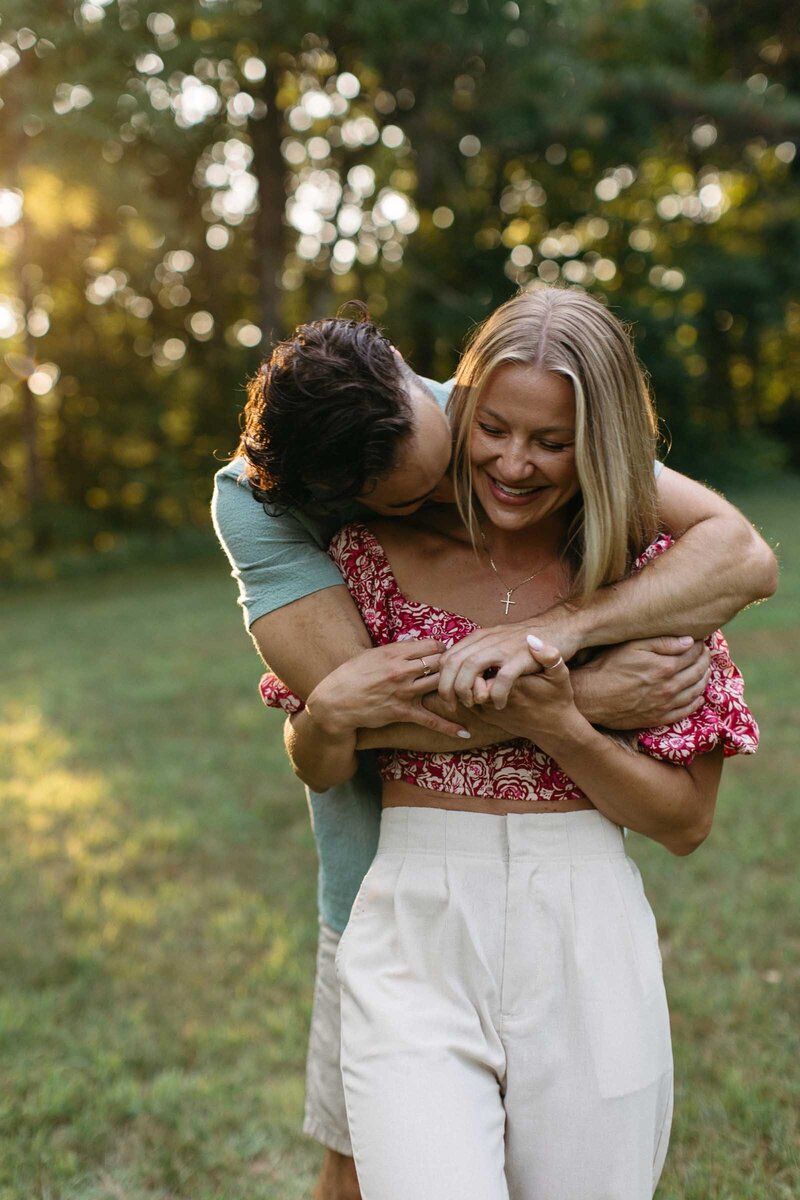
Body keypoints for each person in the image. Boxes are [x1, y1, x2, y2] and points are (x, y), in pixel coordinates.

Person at [211, 308, 776, 1200]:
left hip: (585, 928)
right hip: (394, 903)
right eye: (494, 436)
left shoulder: (647, 566)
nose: (508, 466)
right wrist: (573, 700)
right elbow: (328, 725)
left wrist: (564, 673)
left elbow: (687, 815)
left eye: (550, 442)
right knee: (374, 1171)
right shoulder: (325, 535)